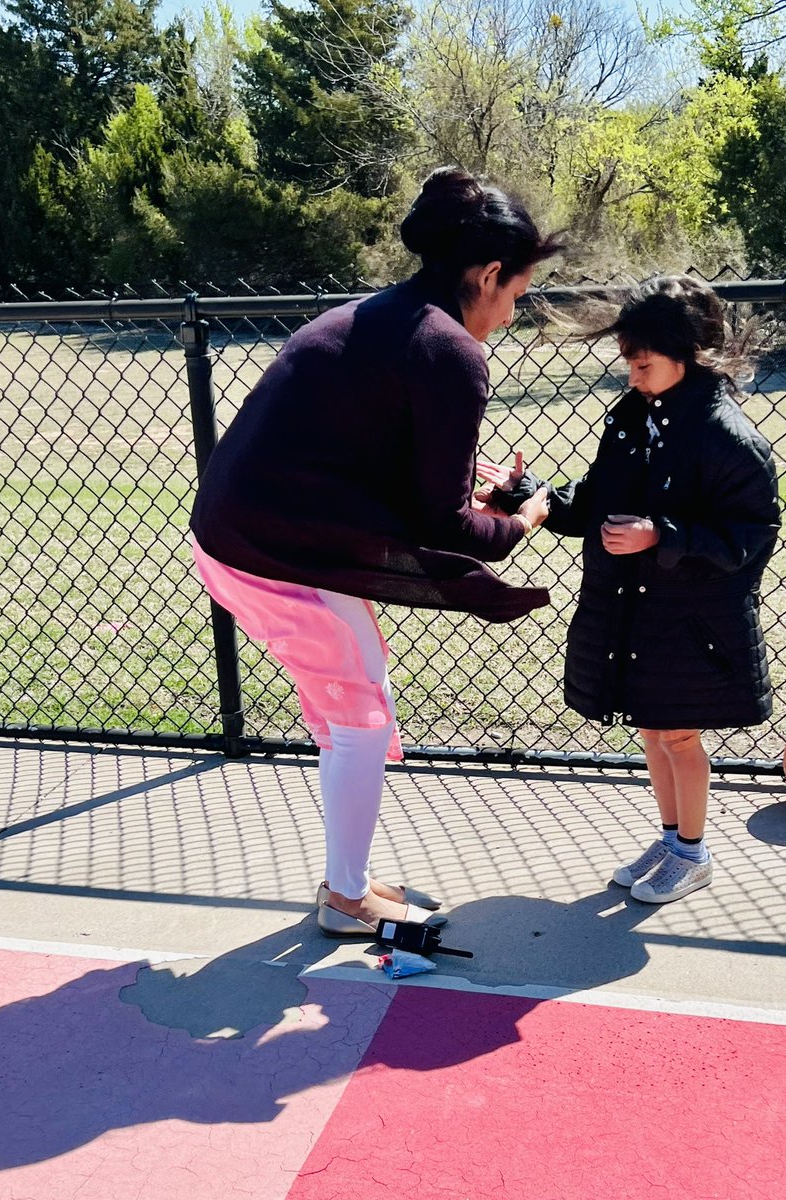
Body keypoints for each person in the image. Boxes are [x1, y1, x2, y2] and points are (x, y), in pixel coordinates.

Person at [190, 166, 560, 936]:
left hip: (248, 536)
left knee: (352, 705)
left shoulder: (375, 314)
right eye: (517, 293)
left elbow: (368, 461)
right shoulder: (451, 349)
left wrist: (468, 499)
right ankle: (346, 897)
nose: (511, 313)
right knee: (360, 715)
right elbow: (447, 527)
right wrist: (524, 518)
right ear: (488, 273)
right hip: (274, 550)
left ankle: (346, 878)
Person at [478, 275, 780, 903]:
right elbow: (593, 503)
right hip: (633, 612)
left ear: (689, 353)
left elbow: (750, 537)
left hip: (689, 620)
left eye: (643, 365)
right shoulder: (631, 418)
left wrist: (661, 535)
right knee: (653, 729)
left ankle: (693, 853)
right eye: (628, 363)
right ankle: (672, 839)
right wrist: (523, 495)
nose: (632, 376)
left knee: (679, 735)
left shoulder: (726, 437)